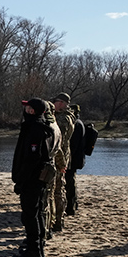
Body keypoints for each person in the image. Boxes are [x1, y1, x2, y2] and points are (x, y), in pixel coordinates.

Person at [11, 98, 57, 257]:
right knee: (36, 213)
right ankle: (37, 248)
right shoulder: (40, 127)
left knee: (31, 215)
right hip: (37, 179)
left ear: (33, 111)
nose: (25, 110)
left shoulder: (35, 129)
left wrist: (21, 181)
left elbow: (32, 159)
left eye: (28, 107)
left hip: (32, 181)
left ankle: (34, 250)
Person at [49, 92, 75, 232]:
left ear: (64, 104)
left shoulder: (64, 119)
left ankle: (58, 220)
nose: (55, 104)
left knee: (58, 191)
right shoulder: (63, 116)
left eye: (58, 102)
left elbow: (57, 135)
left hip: (60, 158)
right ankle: (55, 220)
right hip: (59, 157)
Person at [66, 104, 87, 217]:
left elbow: (72, 145)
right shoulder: (79, 123)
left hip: (72, 160)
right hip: (76, 159)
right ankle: (73, 205)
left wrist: (67, 158)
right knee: (71, 183)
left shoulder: (76, 125)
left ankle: (71, 207)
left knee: (70, 183)